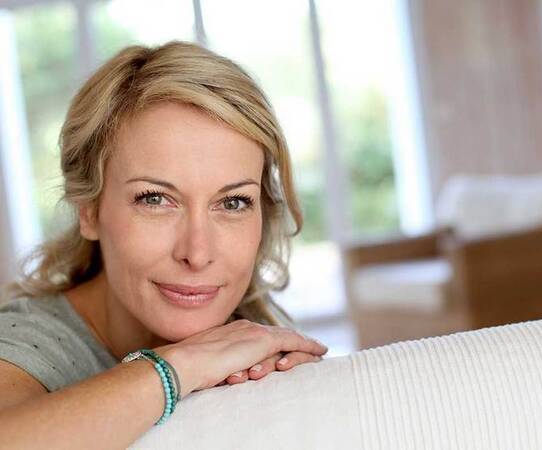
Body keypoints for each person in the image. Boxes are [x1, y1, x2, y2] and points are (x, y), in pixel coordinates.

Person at [0, 40, 328, 448]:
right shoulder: (26, 338)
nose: (197, 252)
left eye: (232, 202)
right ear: (89, 210)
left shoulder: (253, 344)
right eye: (155, 199)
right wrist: (179, 367)